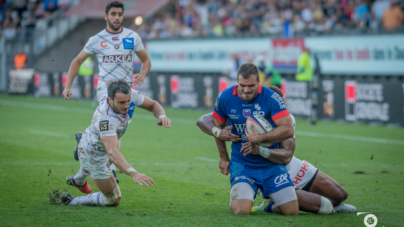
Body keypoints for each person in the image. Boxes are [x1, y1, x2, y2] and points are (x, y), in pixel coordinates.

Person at [196, 85, 356, 215]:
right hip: (265, 171)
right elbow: (206, 120)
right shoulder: (247, 111)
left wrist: (260, 149)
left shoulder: (286, 119)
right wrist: (221, 142)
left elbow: (286, 156)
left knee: (340, 196)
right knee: (326, 207)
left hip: (288, 166)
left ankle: (283, 197)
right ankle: (271, 204)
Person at [61, 1, 151, 182]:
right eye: (113, 14)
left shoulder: (132, 37)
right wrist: (68, 86)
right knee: (112, 123)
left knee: (117, 128)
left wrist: (142, 73)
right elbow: (77, 61)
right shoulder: (96, 39)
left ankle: (82, 152)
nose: (117, 17)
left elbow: (146, 60)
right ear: (106, 16)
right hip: (105, 89)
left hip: (125, 91)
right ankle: (112, 169)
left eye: (119, 14)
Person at [60, 79, 171, 207]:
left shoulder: (130, 95)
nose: (127, 105)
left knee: (113, 152)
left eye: (128, 101)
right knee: (113, 200)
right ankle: (71, 201)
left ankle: (78, 179)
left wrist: (162, 116)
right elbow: (112, 153)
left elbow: (153, 105)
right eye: (122, 103)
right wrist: (133, 173)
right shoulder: (105, 118)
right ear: (109, 100)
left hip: (98, 140)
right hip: (94, 153)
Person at [211, 63, 298, 215]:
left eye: (251, 85)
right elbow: (218, 127)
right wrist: (223, 158)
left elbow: (288, 129)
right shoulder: (225, 97)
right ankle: (239, 196)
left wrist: (259, 138)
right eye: (242, 85)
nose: (246, 90)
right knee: (241, 211)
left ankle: (268, 206)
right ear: (237, 81)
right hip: (243, 165)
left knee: (292, 212)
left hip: (270, 164)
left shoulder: (271, 97)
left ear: (259, 81)